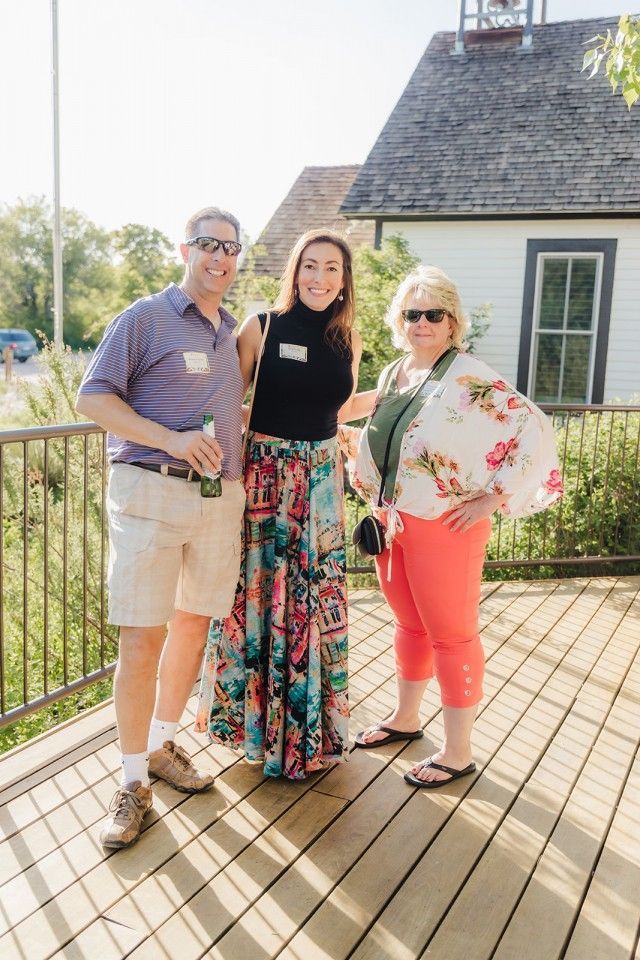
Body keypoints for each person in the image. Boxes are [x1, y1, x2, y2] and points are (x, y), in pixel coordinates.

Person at [340, 265, 562, 788]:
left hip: (445, 526)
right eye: (412, 313)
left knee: (452, 635)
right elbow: (385, 434)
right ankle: (406, 718)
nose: (422, 322)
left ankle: (458, 751)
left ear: (451, 320)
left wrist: (495, 495)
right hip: (393, 522)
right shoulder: (395, 373)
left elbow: (531, 424)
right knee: (409, 626)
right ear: (400, 319)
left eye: (433, 314)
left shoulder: (469, 375)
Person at [76, 206, 246, 847]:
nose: (219, 258)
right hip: (150, 494)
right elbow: (92, 398)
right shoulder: (144, 318)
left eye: (230, 248)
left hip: (216, 501)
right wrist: (171, 441)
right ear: (185, 249)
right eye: (207, 245)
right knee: (141, 643)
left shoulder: (229, 333)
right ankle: (128, 784)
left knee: (192, 630)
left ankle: (161, 747)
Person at [195, 229, 363, 780]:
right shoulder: (260, 327)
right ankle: (259, 733)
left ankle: (310, 732)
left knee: (313, 602)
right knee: (262, 597)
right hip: (266, 479)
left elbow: (335, 410)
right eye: (310, 266)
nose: (320, 277)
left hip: (320, 485)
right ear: (294, 271)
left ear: (344, 279)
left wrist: (398, 398)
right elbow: (227, 404)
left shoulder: (349, 340)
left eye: (332, 268)